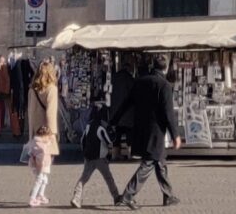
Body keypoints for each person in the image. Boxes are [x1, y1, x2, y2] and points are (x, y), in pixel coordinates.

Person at [112, 55, 180, 209]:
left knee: (160, 161)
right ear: (165, 68)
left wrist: (114, 120)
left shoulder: (140, 82)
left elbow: (126, 103)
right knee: (149, 162)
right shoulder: (165, 86)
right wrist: (175, 135)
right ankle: (128, 195)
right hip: (156, 131)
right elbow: (168, 113)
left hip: (141, 128)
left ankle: (168, 195)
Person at [68, 105, 122, 208]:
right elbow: (109, 141)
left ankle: (76, 197)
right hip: (100, 158)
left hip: (88, 157)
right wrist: (112, 132)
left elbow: (82, 140)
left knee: (83, 178)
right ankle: (116, 197)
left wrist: (85, 153)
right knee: (108, 178)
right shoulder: (101, 127)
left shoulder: (88, 126)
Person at [28, 60, 61, 161]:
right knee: (45, 166)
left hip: (36, 131)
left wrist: (31, 135)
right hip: (46, 132)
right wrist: (53, 133)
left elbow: (31, 112)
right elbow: (50, 113)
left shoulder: (32, 90)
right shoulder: (52, 89)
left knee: (37, 166)